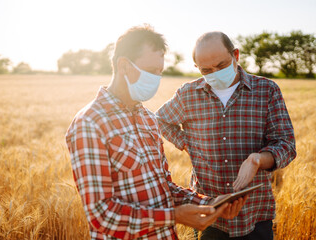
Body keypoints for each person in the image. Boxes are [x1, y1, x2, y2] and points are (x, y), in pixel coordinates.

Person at [65, 26, 247, 240]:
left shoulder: (149, 119)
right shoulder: (90, 123)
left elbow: (164, 187)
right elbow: (103, 216)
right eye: (150, 71)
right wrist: (174, 216)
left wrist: (211, 204)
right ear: (124, 65)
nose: (155, 79)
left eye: (159, 72)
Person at [156, 31, 296, 240]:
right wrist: (187, 143)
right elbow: (160, 119)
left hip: (255, 212)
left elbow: (286, 144)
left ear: (236, 55)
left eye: (221, 66)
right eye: (206, 70)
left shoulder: (267, 90)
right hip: (209, 210)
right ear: (197, 68)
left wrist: (257, 159)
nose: (214, 72)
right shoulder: (188, 94)